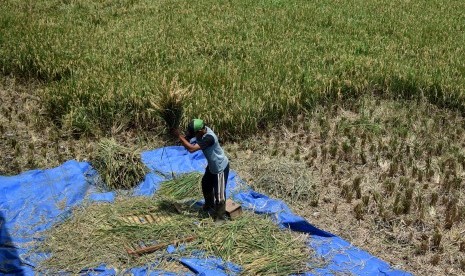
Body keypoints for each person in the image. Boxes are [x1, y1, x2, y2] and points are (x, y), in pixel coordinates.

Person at [172, 119, 229, 219]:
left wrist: (179, 136)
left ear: (200, 131)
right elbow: (187, 139)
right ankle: (209, 205)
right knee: (205, 184)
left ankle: (220, 217)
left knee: (219, 196)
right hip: (211, 166)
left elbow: (191, 149)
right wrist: (178, 136)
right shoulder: (200, 132)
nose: (193, 135)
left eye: (194, 134)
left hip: (220, 168)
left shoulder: (209, 138)